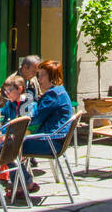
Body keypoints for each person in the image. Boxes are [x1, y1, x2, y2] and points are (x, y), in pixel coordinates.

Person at [17, 60, 73, 197]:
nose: (39, 79)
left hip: (51, 142)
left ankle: (25, 183)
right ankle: (19, 185)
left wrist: (26, 105)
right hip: (57, 140)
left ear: (52, 77)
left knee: (7, 147)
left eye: (41, 75)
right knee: (11, 145)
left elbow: (34, 118)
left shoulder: (53, 95)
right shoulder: (59, 92)